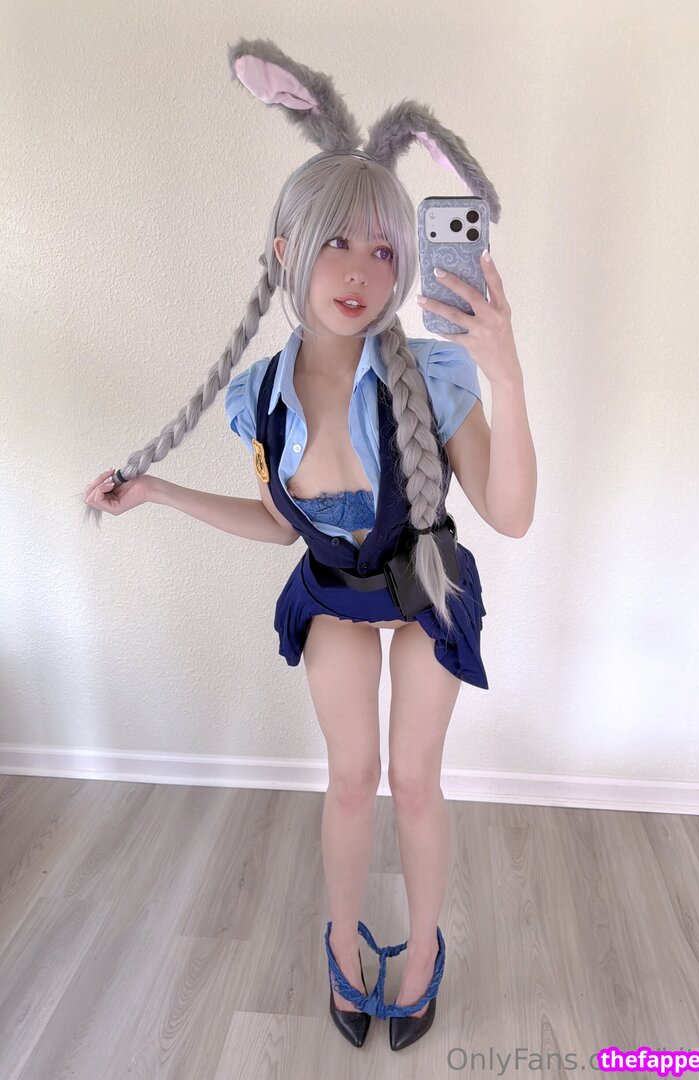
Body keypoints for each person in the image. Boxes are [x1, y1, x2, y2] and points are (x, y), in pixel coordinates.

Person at [82, 37, 536, 1052]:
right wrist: (156, 492)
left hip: (425, 586)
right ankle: (342, 940)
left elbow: (510, 515)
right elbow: (283, 525)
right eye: (337, 242)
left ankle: (420, 951)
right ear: (287, 250)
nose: (362, 271)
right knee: (350, 776)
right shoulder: (260, 398)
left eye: (385, 250)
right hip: (333, 588)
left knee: (413, 781)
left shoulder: (437, 373)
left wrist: (505, 371)